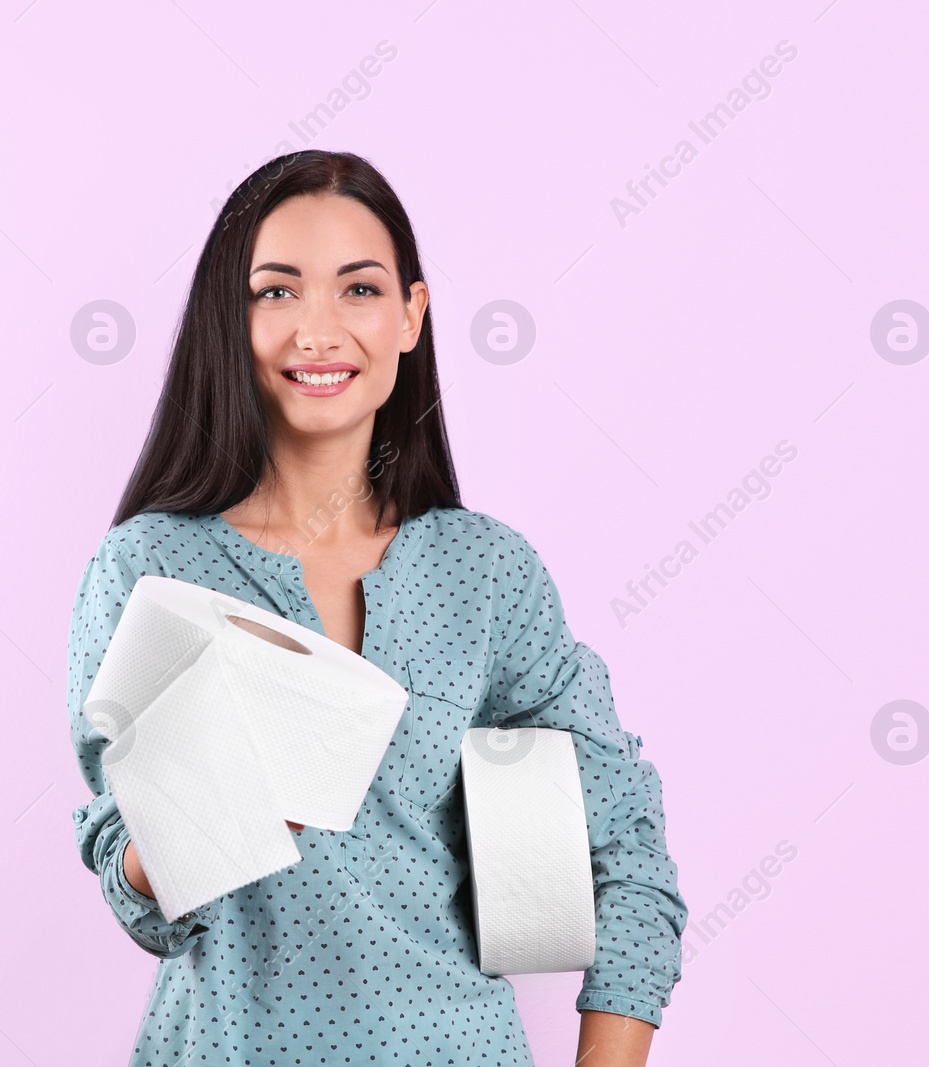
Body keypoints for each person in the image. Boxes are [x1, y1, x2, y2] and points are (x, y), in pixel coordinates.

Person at [68, 149, 687, 1066]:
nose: (317, 330)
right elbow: (127, 871)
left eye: (358, 290)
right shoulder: (153, 563)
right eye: (275, 293)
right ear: (226, 323)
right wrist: (208, 816)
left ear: (411, 315)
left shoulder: (486, 574)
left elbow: (629, 854)